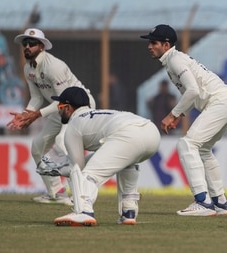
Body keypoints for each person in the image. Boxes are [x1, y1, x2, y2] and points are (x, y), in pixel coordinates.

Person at [140, 24, 227, 216]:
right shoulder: (174, 60)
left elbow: (193, 90)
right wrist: (181, 113)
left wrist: (173, 114)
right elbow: (192, 92)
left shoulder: (175, 60)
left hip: (221, 102)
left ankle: (203, 201)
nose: (149, 46)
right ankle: (220, 202)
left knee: (187, 144)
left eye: (153, 43)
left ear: (166, 44)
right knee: (202, 150)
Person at [44, 86, 160, 226]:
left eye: (60, 106)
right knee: (127, 162)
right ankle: (128, 211)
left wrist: (59, 169)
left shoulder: (74, 125)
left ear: (68, 108)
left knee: (88, 176)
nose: (59, 110)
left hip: (128, 134)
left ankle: (83, 212)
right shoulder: (99, 114)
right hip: (152, 132)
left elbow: (77, 169)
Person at [6, 28, 96, 205]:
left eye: (32, 44)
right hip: (60, 109)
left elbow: (65, 100)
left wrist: (36, 115)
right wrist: (25, 116)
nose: (27, 47)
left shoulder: (54, 66)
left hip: (78, 106)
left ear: (41, 46)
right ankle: (56, 192)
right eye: (25, 43)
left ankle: (79, 195)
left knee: (64, 143)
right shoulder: (28, 69)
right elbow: (37, 98)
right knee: (38, 147)